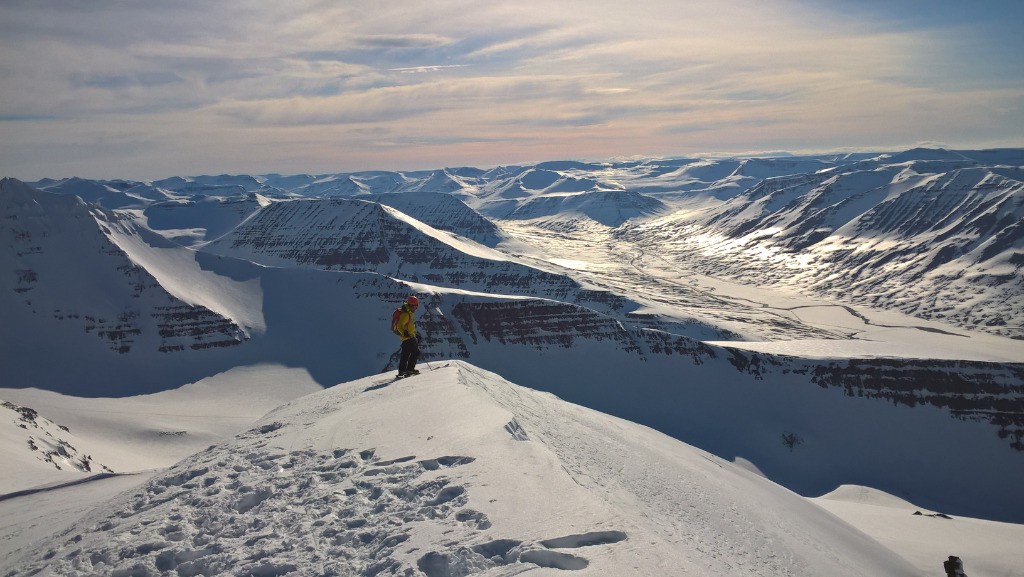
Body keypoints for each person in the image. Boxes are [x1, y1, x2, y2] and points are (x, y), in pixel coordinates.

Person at [395, 295, 420, 377]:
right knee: (415, 353)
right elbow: (399, 326)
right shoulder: (406, 314)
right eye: (415, 307)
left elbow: (409, 326)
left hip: (408, 337)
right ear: (411, 305)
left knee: (405, 354)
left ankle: (402, 371)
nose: (416, 309)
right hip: (408, 337)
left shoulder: (408, 313)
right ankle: (410, 370)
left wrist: (415, 334)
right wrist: (404, 333)